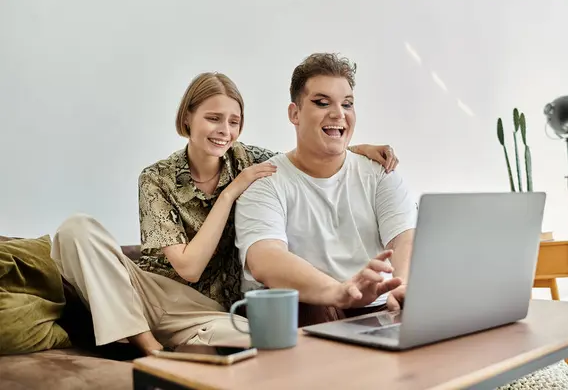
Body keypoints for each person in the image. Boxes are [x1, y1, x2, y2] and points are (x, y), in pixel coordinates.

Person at [50, 70, 401, 355]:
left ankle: (180, 347)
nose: (225, 131)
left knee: (266, 347)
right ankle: (146, 343)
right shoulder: (156, 178)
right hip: (148, 291)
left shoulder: (250, 160)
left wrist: (356, 149)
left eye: (234, 121)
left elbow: (305, 154)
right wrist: (231, 191)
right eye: (214, 118)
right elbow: (188, 267)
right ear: (188, 117)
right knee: (76, 229)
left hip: (207, 312)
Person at [235, 53, 417, 326]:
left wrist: (400, 286)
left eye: (347, 104)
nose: (338, 114)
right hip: (311, 314)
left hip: (381, 310)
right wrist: (340, 292)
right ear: (294, 114)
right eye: (322, 103)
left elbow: (405, 238)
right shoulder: (266, 180)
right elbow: (265, 258)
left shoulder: (380, 172)